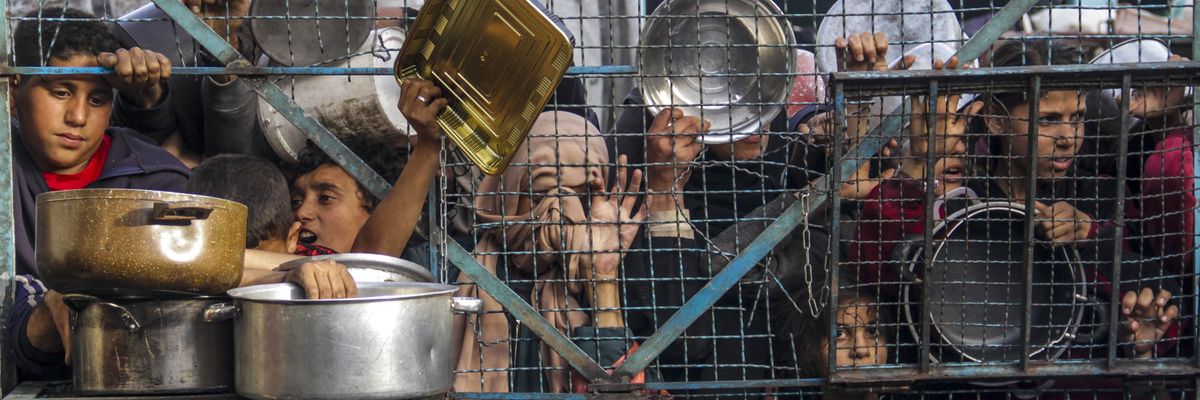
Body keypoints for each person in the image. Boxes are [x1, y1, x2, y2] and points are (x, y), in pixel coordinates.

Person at [849, 40, 1179, 362]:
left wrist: (1090, 236)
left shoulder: (1100, 199)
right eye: (1048, 119)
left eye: (1077, 117)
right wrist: (920, 161)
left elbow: (1163, 281)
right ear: (995, 119)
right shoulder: (959, 203)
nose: (1067, 138)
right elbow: (878, 268)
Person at [6, 7, 188, 380]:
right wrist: (43, 314)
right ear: (14, 87)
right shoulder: (8, 171)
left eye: (97, 100)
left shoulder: (155, 179)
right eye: (60, 91)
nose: (77, 117)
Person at [454, 110, 645, 393]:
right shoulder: (449, 268)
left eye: (580, 198)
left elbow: (622, 393)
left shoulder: (634, 283)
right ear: (509, 191)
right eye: (542, 195)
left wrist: (603, 279)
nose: (561, 213)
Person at [185, 154, 359, 299]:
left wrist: (197, 256)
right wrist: (282, 277)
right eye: (296, 202)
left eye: (325, 198)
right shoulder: (176, 267)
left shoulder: (322, 263)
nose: (301, 212)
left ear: (293, 238)